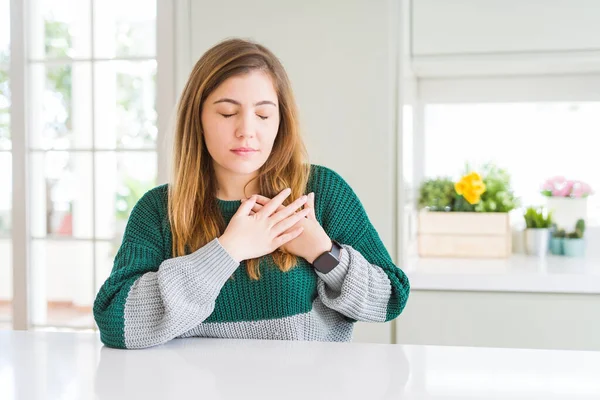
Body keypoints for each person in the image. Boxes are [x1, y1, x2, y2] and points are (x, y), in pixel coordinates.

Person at [93, 38, 410, 349]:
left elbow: (389, 300)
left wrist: (323, 252)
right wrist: (227, 251)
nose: (246, 129)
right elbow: (114, 323)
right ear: (198, 118)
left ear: (280, 121)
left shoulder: (322, 190)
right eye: (228, 113)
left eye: (263, 114)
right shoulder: (158, 210)